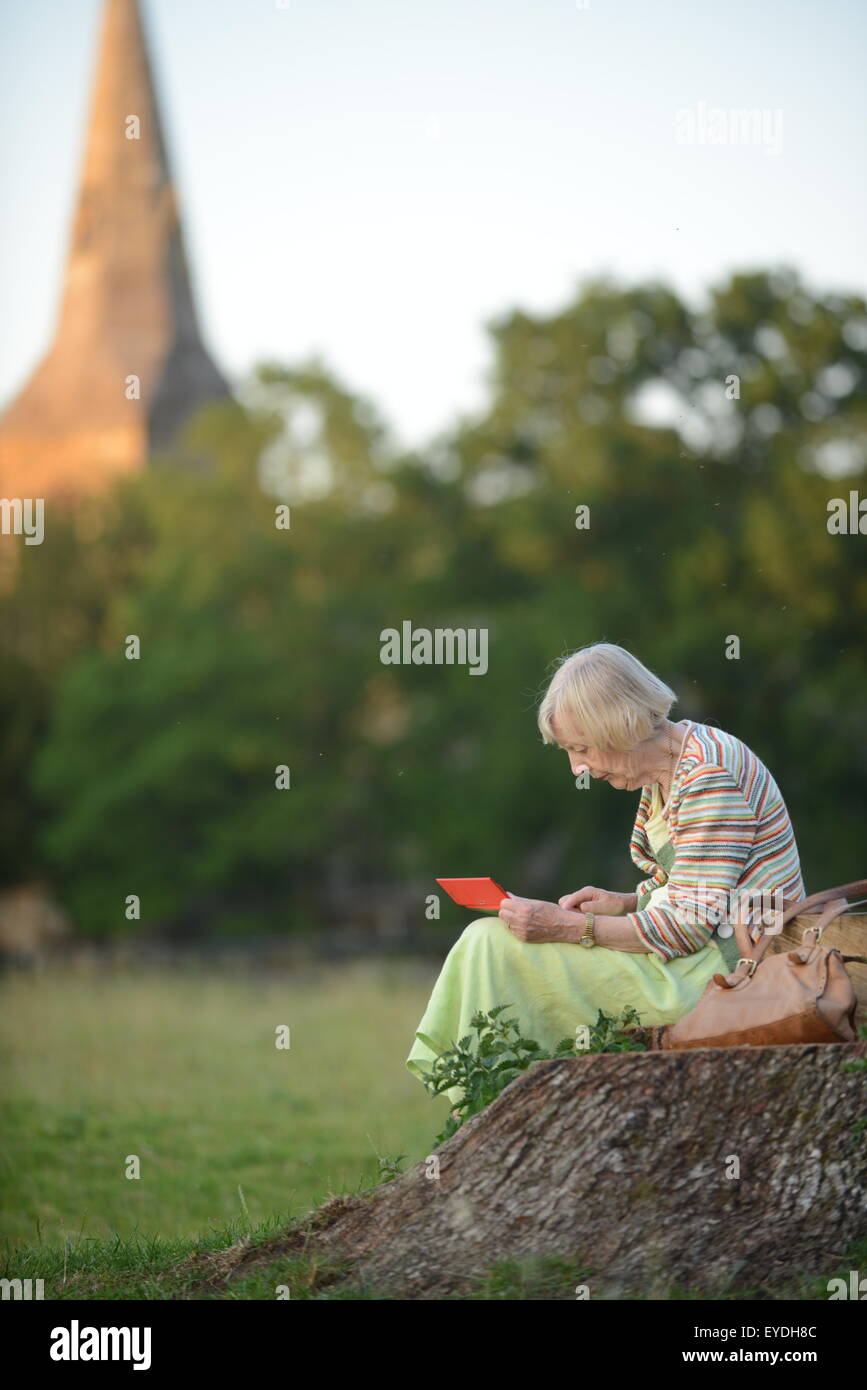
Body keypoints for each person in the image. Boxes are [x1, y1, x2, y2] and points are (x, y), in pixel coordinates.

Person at [406, 642, 805, 1101]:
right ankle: (497, 1095)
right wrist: (628, 902)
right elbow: (696, 888)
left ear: (621, 725)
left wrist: (570, 927)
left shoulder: (707, 776)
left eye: (581, 748)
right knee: (489, 941)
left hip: (727, 972)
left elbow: (688, 927)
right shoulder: (671, 766)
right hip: (700, 954)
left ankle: (492, 1096)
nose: (577, 766)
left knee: (494, 948)